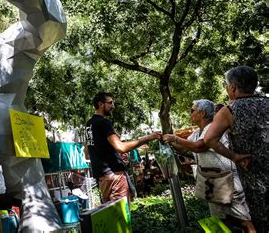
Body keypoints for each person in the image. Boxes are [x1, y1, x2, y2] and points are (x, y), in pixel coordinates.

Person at [163, 99, 255, 232]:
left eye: (192, 110)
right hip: (211, 181)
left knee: (244, 221)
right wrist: (167, 142)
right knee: (221, 220)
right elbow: (184, 148)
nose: (190, 113)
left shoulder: (213, 129)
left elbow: (199, 147)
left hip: (226, 180)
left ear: (202, 113)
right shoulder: (196, 133)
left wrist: (175, 138)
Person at [204, 66, 268, 232]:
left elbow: (209, 139)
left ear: (232, 87)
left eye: (226, 85)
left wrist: (234, 156)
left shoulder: (229, 110)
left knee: (262, 219)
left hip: (254, 173)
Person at [85, 92, 161, 205]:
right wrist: (148, 138)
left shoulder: (89, 124)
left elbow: (87, 153)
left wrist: (112, 153)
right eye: (110, 103)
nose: (113, 106)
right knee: (122, 217)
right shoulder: (103, 122)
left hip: (102, 179)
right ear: (100, 104)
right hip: (115, 176)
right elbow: (121, 147)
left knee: (110, 216)